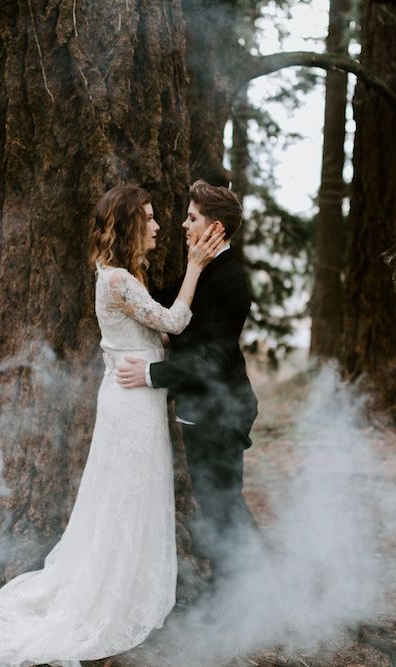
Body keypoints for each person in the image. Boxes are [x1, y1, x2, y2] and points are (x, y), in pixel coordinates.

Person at [0, 184, 224, 667]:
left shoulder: (122, 276)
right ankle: (110, 593)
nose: (157, 226)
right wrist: (196, 265)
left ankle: (129, 584)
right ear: (130, 224)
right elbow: (173, 323)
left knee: (134, 492)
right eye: (149, 218)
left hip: (135, 394)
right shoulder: (117, 282)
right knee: (126, 494)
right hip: (131, 400)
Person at [116, 180, 259, 592]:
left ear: (216, 229)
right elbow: (169, 303)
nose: (182, 224)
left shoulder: (229, 280)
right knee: (219, 502)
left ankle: (233, 594)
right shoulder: (205, 268)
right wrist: (123, 284)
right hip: (203, 409)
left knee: (222, 504)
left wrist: (151, 376)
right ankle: (246, 582)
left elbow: (211, 360)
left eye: (192, 218)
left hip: (222, 412)